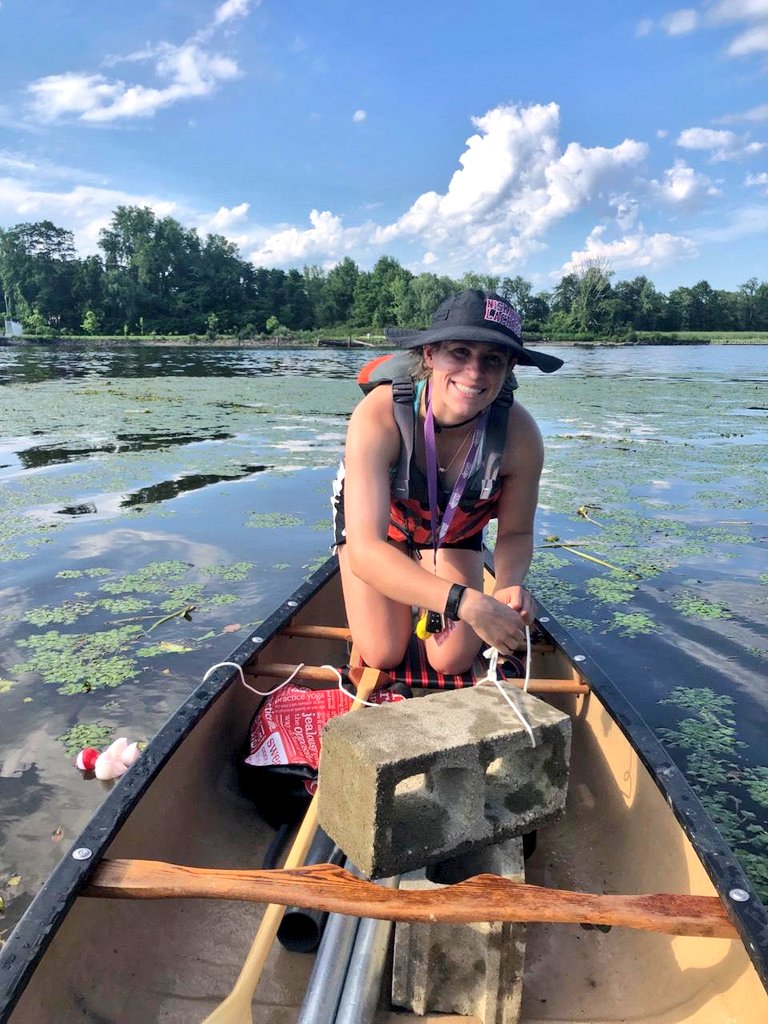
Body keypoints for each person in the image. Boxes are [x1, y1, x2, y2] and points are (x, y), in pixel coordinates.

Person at [332, 289, 563, 675]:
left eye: (493, 360)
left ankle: (425, 578)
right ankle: (413, 573)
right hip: (381, 525)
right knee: (382, 652)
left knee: (451, 660)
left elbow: (516, 534)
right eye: (460, 352)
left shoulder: (520, 437)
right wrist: (467, 603)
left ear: (509, 371)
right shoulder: (379, 414)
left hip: (456, 525)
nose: (474, 373)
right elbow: (367, 550)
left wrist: (506, 585)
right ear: (429, 355)